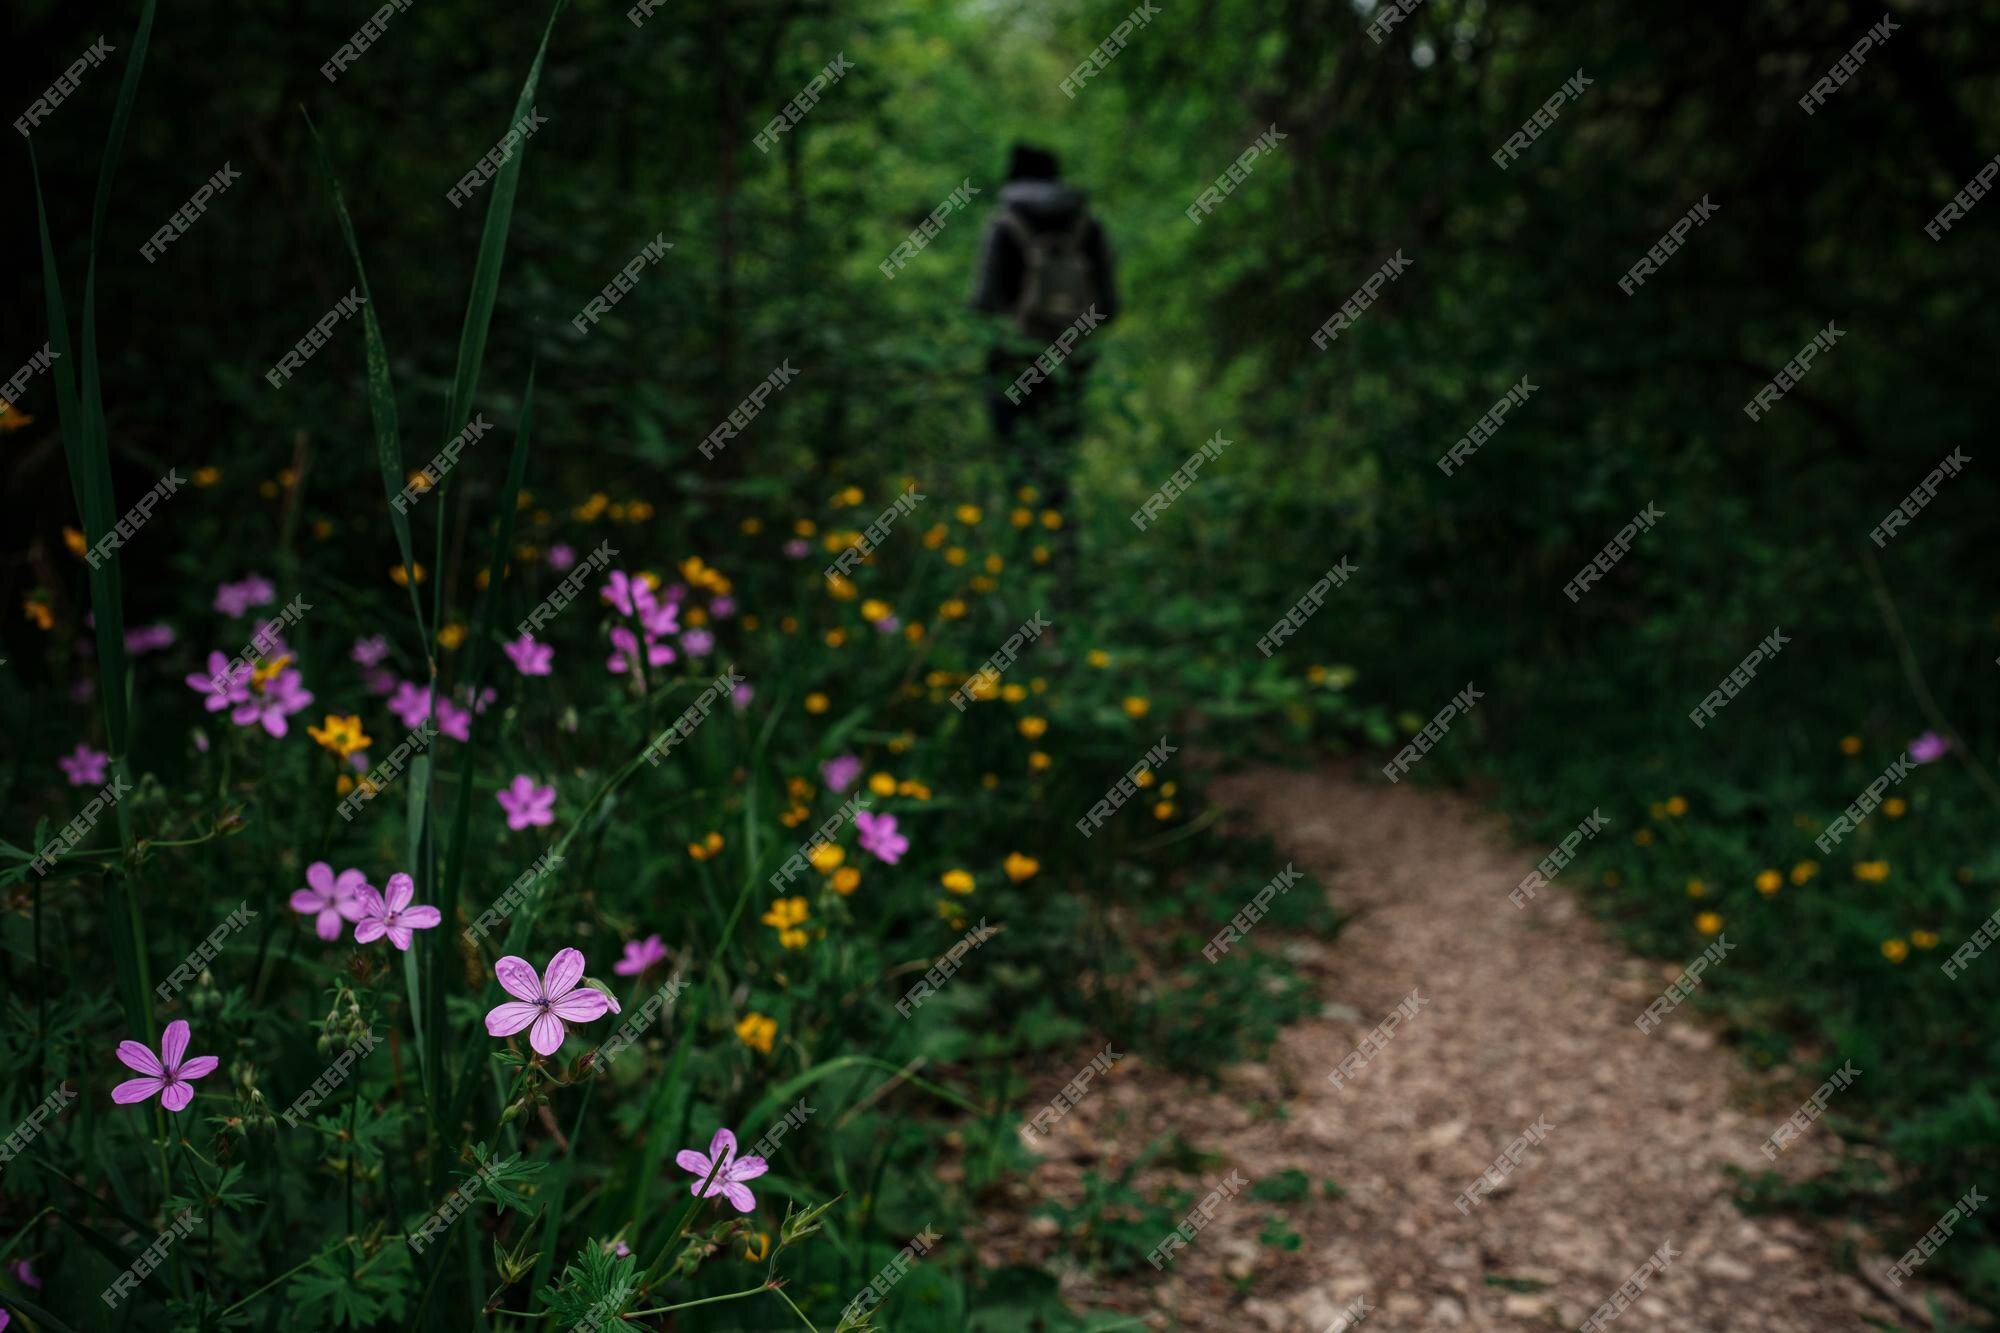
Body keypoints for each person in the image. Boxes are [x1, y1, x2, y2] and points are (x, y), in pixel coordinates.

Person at [969, 145, 1117, 535]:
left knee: (1016, 464)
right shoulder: (1089, 226)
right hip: (1070, 364)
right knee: (1057, 466)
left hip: (1009, 364)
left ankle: (1022, 550)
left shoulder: (1003, 225)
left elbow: (982, 303)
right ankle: (1061, 557)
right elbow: (1109, 306)